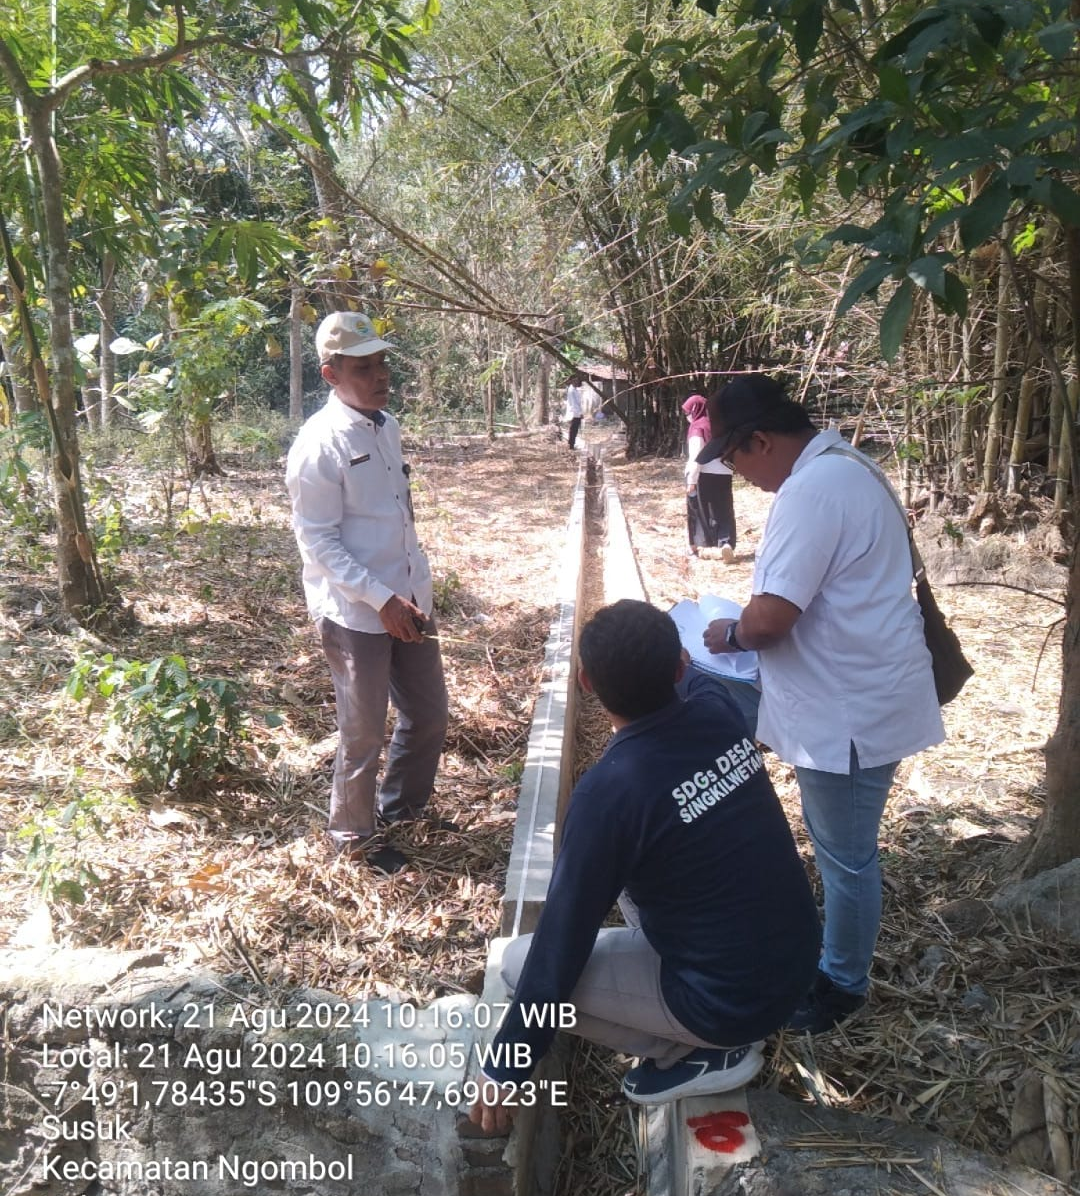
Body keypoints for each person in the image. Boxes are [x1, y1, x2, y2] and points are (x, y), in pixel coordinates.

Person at [468, 599, 820, 1135]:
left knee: (517, 966)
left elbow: (560, 943)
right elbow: (703, 682)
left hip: (726, 1004)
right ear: (681, 666)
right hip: (794, 965)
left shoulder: (610, 792)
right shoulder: (718, 712)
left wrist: (506, 1063)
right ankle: (701, 1022)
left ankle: (696, 1052)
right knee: (639, 868)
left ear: (586, 683)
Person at [699, 374, 944, 1033]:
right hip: (853, 688)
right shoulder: (848, 466)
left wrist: (726, 633)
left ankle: (841, 983)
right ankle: (835, 961)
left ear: (760, 441)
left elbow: (772, 618)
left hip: (849, 710)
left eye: (734, 457)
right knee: (845, 847)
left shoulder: (811, 491)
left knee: (846, 854)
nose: (738, 474)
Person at [285, 312, 449, 874]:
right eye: (363, 368)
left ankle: (402, 809)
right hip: (358, 612)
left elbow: (396, 515)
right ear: (332, 374)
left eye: (381, 363)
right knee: (362, 734)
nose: (379, 376)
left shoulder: (385, 424)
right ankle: (352, 838)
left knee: (428, 715)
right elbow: (318, 542)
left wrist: (410, 589)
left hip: (408, 598)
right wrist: (380, 599)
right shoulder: (319, 444)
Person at [682, 394, 736, 561]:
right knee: (723, 508)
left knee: (701, 511)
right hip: (725, 472)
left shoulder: (698, 427)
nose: (687, 416)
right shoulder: (720, 425)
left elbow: (696, 456)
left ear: (695, 410)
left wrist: (692, 479)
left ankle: (702, 546)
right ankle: (725, 542)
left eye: (687, 412)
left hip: (704, 473)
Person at [563, 374, 584, 450]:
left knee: (574, 431)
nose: (576, 382)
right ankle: (571, 445)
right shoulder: (571, 390)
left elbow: (578, 403)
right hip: (574, 414)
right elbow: (574, 404)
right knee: (573, 431)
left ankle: (572, 444)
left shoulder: (575, 390)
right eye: (574, 381)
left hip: (576, 413)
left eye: (577, 380)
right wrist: (579, 413)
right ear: (571, 381)